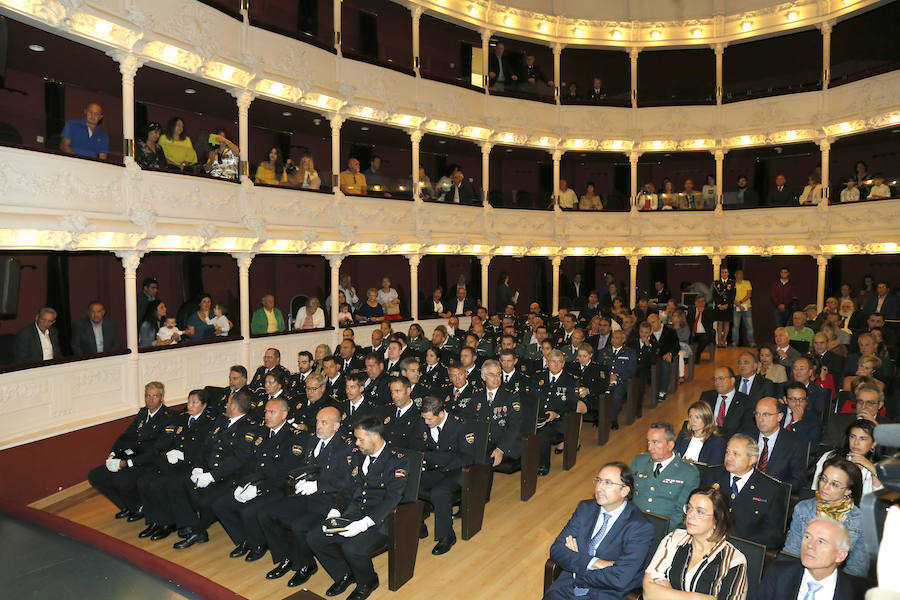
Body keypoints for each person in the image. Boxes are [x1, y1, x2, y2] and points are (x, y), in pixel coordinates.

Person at [306, 415, 408, 600]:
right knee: (314, 537)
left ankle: (367, 581)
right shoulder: (357, 455)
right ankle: (344, 574)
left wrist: (364, 524)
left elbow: (392, 498)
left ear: (375, 437)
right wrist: (335, 511)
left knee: (352, 548)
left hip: (380, 519)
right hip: (354, 512)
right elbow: (347, 488)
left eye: (360, 439)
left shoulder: (397, 461)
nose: (356, 443)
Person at [257, 406, 355, 587]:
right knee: (266, 513)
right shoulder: (312, 441)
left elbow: (347, 482)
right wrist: (298, 479)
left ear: (336, 426)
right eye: (317, 421)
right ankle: (287, 557)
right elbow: (304, 467)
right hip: (306, 496)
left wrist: (318, 485)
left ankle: (307, 566)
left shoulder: (347, 447)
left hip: (328, 500)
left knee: (298, 526)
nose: (318, 426)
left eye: (324, 422)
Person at [210, 396, 307, 561]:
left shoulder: (295, 437)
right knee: (220, 505)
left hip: (277, 488)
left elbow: (285, 472)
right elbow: (251, 463)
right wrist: (244, 484)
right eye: (266, 412)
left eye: (272, 412)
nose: (267, 416)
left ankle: (259, 545)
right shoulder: (261, 432)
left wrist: (260, 488)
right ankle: (246, 540)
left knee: (248, 511)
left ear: (284, 414)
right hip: (255, 482)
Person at [544, 462, 655, 600]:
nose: (599, 488)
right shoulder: (585, 508)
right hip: (567, 588)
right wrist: (595, 562)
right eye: (598, 481)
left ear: (624, 491)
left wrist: (576, 570)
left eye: (608, 483)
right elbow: (556, 549)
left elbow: (619, 578)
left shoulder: (640, 527)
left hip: (605, 593)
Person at [171, 390, 258, 550]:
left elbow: (238, 460)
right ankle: (197, 528)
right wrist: (198, 467)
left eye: (228, 402)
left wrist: (211, 476)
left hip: (230, 477)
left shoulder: (249, 428)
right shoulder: (221, 420)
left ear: (234, 406)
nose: (225, 404)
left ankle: (198, 531)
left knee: (206, 501)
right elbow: (205, 447)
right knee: (183, 483)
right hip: (210, 471)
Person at [87, 382, 175, 521]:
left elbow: (156, 451)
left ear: (162, 397)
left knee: (120, 481)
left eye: (155, 396)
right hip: (132, 457)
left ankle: (140, 507)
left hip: (149, 462)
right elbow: (126, 436)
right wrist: (113, 454)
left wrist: (125, 463)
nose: (150, 400)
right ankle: (131, 506)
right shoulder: (143, 412)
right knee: (95, 476)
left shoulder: (169, 417)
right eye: (147, 396)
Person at [135, 389, 216, 540]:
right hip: (174, 462)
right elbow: (170, 439)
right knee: (145, 481)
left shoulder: (209, 423)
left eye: (194, 402)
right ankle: (157, 521)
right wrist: (168, 451)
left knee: (169, 484)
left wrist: (185, 455)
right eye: (188, 402)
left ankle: (184, 524)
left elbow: (205, 450)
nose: (190, 406)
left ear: (204, 405)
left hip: (193, 465)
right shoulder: (182, 418)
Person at [643, 486, 748, 599]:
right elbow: (648, 592)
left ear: (717, 519)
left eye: (700, 512)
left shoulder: (734, 561)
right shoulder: (675, 538)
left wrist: (667, 592)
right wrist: (696, 598)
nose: (690, 515)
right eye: (689, 508)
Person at [782, 457, 868, 576]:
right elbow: (792, 552)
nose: (825, 487)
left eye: (834, 484)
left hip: (838, 580)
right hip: (801, 573)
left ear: (848, 491)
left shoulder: (860, 520)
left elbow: (857, 567)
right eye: (824, 479)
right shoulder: (804, 508)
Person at [701, 434, 787, 549]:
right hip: (706, 543)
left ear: (753, 459)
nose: (729, 457)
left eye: (735, 454)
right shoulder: (711, 476)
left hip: (743, 551)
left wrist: (739, 545)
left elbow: (773, 535)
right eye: (727, 452)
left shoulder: (771, 489)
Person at [412, 396, 474, 555]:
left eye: (429, 419)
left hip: (456, 471)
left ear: (440, 414)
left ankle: (447, 536)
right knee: (409, 483)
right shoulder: (423, 422)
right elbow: (418, 447)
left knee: (439, 492)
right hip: (433, 468)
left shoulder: (461, 426)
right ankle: (418, 524)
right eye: (424, 418)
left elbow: (467, 457)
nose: (426, 423)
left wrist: (442, 463)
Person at [755, 518, 866, 600]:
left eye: (821, 541)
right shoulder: (779, 573)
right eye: (807, 537)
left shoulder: (856, 593)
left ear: (840, 555)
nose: (810, 545)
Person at [631, 422, 699, 532]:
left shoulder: (688, 472)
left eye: (655, 442)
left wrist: (659, 532)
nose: (649, 447)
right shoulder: (639, 461)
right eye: (648, 441)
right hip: (633, 525)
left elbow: (681, 512)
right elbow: (628, 496)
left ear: (670, 445)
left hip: (664, 532)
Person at [745, 397, 808, 492]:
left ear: (779, 416)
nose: (760, 419)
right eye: (757, 414)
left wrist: (773, 490)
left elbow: (798, 480)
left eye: (766, 414)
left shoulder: (795, 443)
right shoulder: (745, 437)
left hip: (774, 497)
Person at [812, 418, 883, 496]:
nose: (856, 442)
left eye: (863, 439)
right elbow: (816, 489)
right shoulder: (830, 457)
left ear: (874, 444)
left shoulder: (879, 467)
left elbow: (880, 500)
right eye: (853, 437)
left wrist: (873, 470)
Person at [595, 331, 637, 430]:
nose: (614, 340)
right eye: (613, 337)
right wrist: (607, 377)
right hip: (604, 381)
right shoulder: (604, 351)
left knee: (616, 396)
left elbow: (631, 371)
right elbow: (597, 367)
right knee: (596, 393)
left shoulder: (629, 353)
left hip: (621, 382)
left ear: (623, 340)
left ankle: (613, 419)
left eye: (617, 338)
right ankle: (600, 418)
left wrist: (618, 378)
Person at [700, 366, 754, 439]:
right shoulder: (706, 397)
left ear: (732, 380)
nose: (717, 382)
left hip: (731, 442)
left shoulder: (746, 401)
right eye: (715, 379)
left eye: (721, 378)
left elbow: (745, 429)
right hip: (706, 439)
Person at [674, 401, 726, 466]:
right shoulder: (683, 434)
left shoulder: (717, 442)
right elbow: (674, 456)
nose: (692, 421)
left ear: (706, 419)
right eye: (690, 416)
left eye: (697, 417)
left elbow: (714, 468)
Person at [783, 382, 823, 449]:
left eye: (801, 399)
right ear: (785, 400)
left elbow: (811, 448)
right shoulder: (776, 414)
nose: (797, 403)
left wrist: (798, 423)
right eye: (793, 399)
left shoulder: (814, 421)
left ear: (806, 400)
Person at [712, 267, 736, 348]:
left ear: (728, 273)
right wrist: (719, 305)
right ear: (720, 274)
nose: (724, 274)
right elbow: (714, 295)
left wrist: (727, 305)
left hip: (728, 306)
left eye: (726, 272)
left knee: (726, 323)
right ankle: (719, 342)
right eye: (722, 272)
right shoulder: (716, 283)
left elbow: (733, 295)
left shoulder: (732, 283)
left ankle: (724, 341)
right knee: (719, 323)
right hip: (719, 306)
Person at [730, 269, 754, 347]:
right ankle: (734, 342)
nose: (740, 275)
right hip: (735, 307)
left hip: (747, 307)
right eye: (738, 274)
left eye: (741, 274)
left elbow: (749, 294)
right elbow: (730, 296)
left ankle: (751, 342)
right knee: (735, 326)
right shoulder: (732, 284)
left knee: (749, 326)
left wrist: (740, 303)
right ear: (735, 275)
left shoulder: (747, 283)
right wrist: (738, 305)